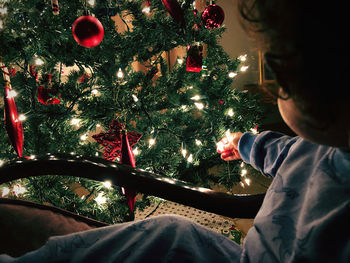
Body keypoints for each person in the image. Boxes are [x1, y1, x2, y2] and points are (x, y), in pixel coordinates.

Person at [1, 0, 349, 262]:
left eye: (283, 83)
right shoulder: (314, 145)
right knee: (171, 231)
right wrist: (242, 142)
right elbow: (283, 152)